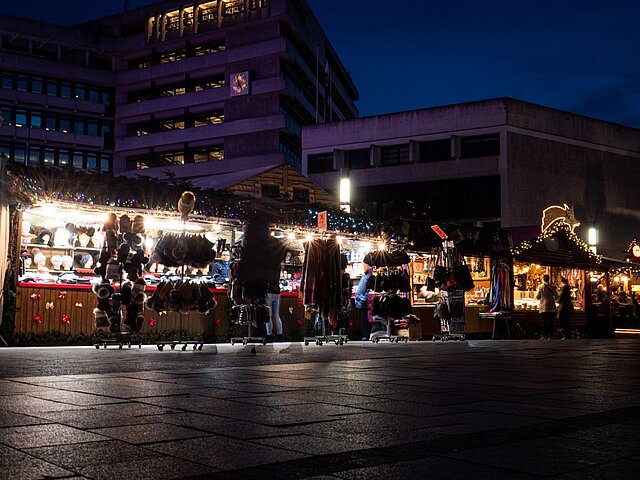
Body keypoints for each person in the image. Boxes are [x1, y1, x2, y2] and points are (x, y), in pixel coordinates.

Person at [355, 262, 374, 340]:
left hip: (363, 302)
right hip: (361, 302)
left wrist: (362, 299)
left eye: (365, 264)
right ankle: (365, 334)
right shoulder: (365, 276)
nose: (363, 266)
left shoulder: (369, 277)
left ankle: (367, 335)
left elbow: (369, 290)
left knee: (365, 319)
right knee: (363, 319)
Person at [536, 274, 557, 339]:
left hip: (543, 306)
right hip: (551, 307)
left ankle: (544, 335)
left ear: (543, 279)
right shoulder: (552, 286)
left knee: (544, 322)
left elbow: (537, 296)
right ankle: (551, 335)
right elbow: (556, 296)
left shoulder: (540, 286)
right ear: (549, 279)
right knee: (551, 321)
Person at [556, 275, 573, 340]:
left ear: (561, 281)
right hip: (566, 306)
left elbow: (561, 297)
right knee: (565, 321)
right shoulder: (566, 287)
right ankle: (567, 335)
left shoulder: (564, 287)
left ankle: (567, 335)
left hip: (564, 307)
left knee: (563, 321)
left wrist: (556, 301)